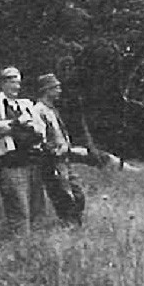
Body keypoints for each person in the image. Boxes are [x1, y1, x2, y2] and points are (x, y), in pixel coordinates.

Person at [0, 66, 45, 240]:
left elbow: (40, 127)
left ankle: (39, 249)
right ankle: (21, 250)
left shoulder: (26, 104)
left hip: (32, 159)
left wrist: (34, 128)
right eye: (11, 81)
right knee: (19, 210)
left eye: (18, 81)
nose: (16, 86)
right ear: (1, 83)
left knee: (37, 209)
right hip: (9, 163)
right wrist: (15, 124)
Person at [32, 73, 86, 226]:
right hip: (52, 161)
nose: (59, 90)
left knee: (77, 194)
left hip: (64, 159)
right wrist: (58, 151)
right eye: (56, 87)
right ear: (46, 90)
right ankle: (69, 226)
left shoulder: (52, 109)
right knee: (64, 197)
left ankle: (75, 225)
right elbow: (40, 140)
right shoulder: (38, 111)